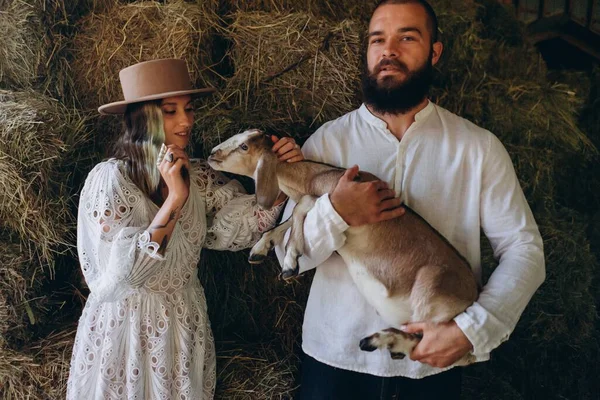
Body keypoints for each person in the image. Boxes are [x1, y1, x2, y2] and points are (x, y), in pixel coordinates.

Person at [274, 1, 546, 399]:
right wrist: (336, 212)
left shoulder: (478, 148)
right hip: (334, 363)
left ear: (434, 51)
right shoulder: (327, 143)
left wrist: (472, 331)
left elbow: (524, 249)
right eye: (378, 39)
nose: (389, 50)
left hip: (432, 366)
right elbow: (288, 255)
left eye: (407, 37)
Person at [66, 58, 303, 399]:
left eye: (189, 109)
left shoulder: (198, 174)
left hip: (181, 328)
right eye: (170, 110)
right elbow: (125, 277)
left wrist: (281, 176)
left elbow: (236, 227)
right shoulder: (111, 179)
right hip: (126, 333)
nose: (187, 121)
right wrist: (175, 198)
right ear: (143, 117)